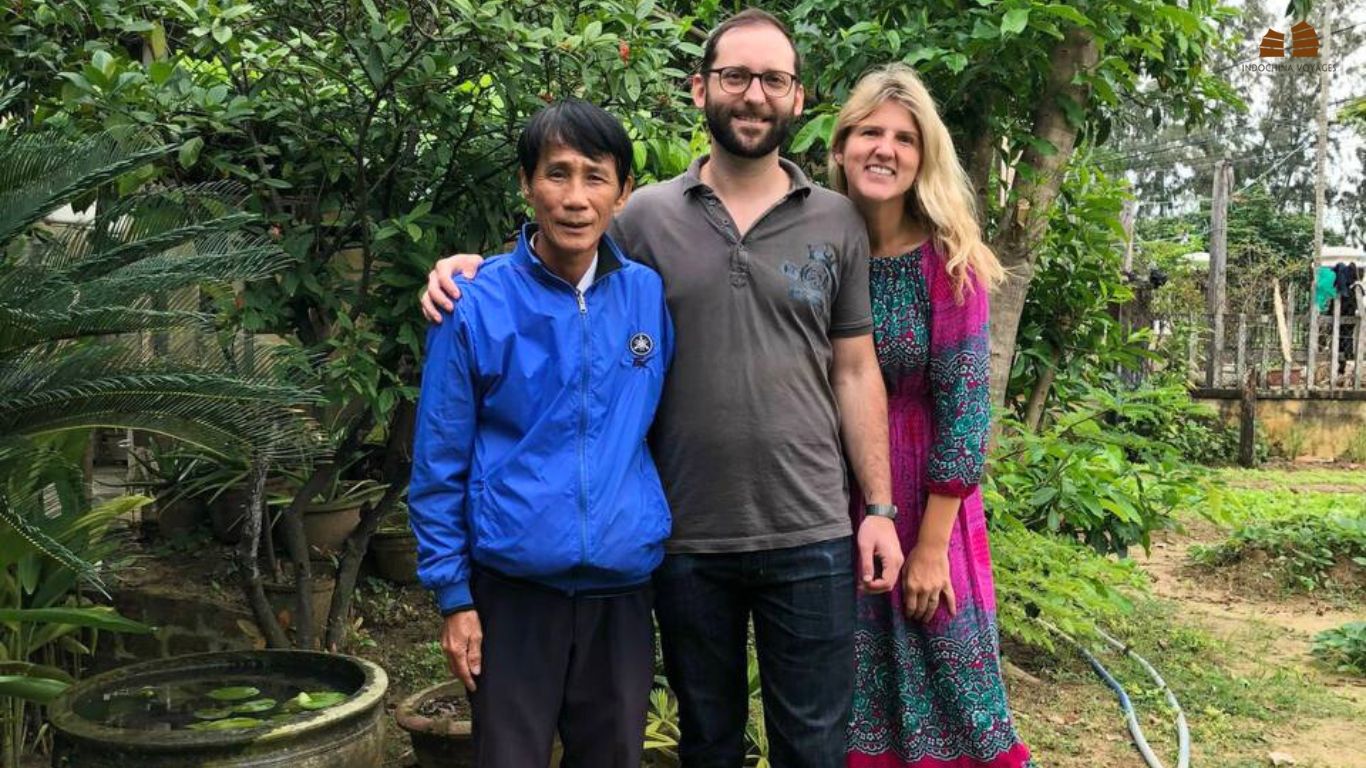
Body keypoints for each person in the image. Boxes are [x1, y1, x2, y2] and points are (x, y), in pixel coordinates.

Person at [421, 10, 903, 767]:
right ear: (700, 87)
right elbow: (561, 250)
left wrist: (877, 507)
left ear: (798, 97)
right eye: (735, 76)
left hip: (809, 528)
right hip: (684, 537)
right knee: (705, 743)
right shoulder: (644, 217)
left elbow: (855, 367)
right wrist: (465, 271)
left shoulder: (838, 220)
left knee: (814, 746)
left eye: (772, 78)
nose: (753, 94)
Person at [408, 98, 674, 768]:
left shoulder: (647, 296)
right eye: (557, 174)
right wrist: (454, 597)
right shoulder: (474, 304)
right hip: (513, 591)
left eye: (595, 176)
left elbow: (661, 426)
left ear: (624, 192)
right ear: (526, 185)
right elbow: (438, 460)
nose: (576, 198)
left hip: (620, 588)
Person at [828, 64, 1033, 767]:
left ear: (923, 157)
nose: (884, 148)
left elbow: (965, 408)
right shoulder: (823, 249)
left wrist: (929, 548)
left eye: (904, 138)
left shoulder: (950, 264)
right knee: (857, 698)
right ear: (842, 146)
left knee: (955, 686)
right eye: (869, 132)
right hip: (837, 497)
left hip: (929, 505)